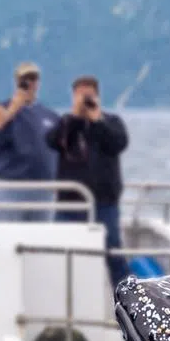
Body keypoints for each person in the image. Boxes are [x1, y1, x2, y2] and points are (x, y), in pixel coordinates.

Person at [44, 74, 131, 288]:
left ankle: (129, 306)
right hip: (69, 204)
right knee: (62, 255)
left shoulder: (111, 122)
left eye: (89, 95)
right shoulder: (66, 124)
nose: (85, 100)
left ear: (98, 96)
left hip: (104, 203)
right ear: (73, 97)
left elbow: (119, 143)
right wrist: (75, 116)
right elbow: (52, 141)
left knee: (113, 254)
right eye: (80, 95)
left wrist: (97, 119)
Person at [0, 61, 59, 222]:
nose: (29, 83)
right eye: (24, 79)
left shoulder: (49, 115)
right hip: (11, 187)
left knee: (40, 239)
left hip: (43, 188)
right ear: (16, 82)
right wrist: (14, 107)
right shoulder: (0, 108)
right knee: (8, 236)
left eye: (33, 78)